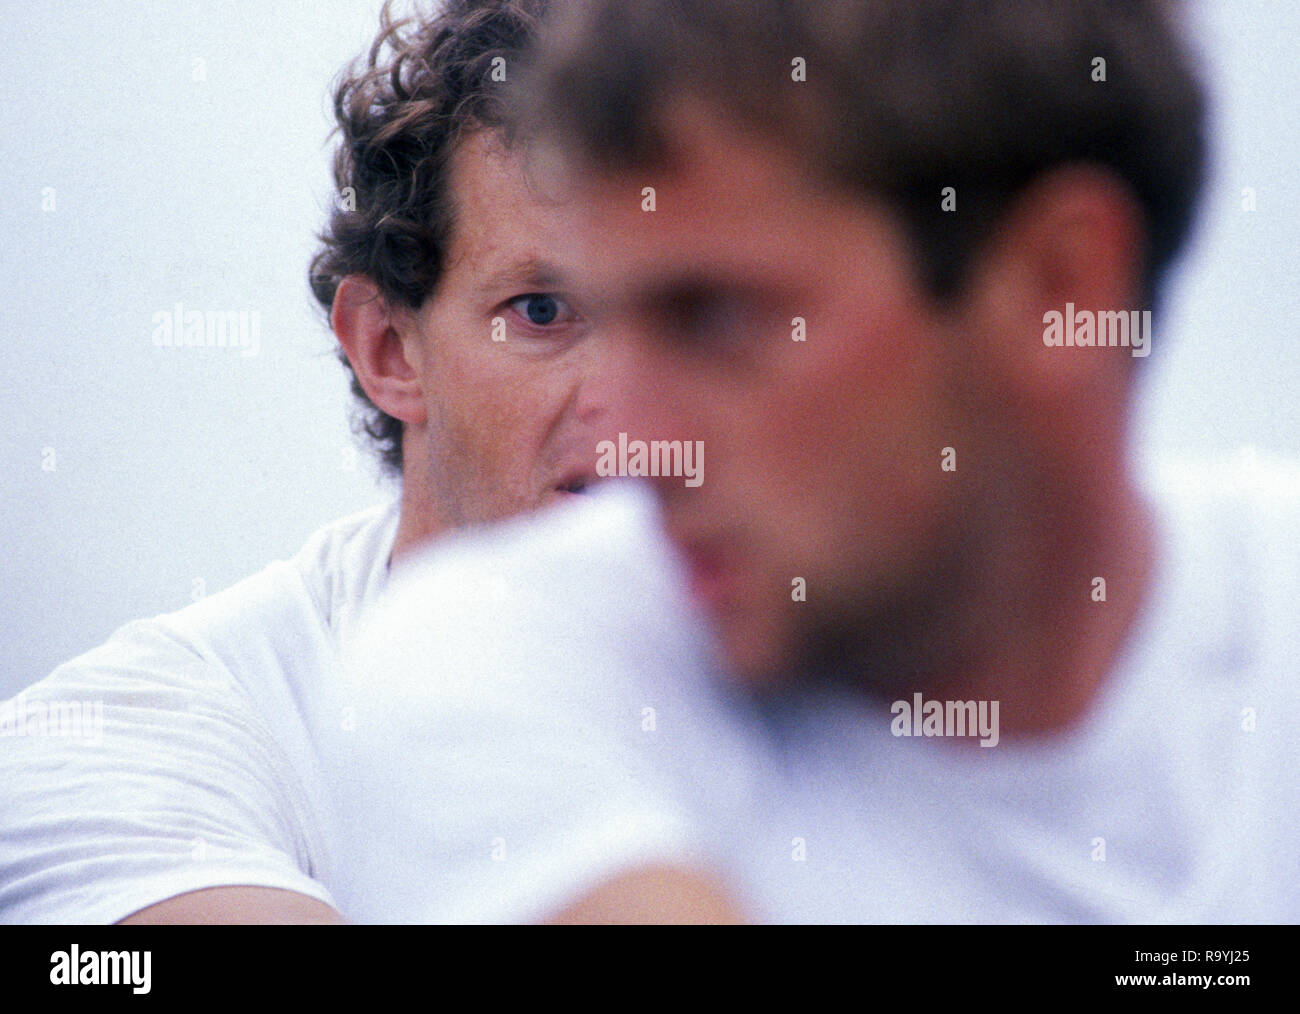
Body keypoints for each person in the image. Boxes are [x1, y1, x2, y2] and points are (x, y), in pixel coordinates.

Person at [319, 0, 1300, 922]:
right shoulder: (496, 665)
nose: (633, 443)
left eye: (714, 319)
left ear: (1060, 286)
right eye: (566, 314)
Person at [0, 0, 603, 925]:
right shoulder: (145, 731)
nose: (642, 393)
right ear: (389, 350)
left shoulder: (877, 700)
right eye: (545, 312)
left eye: (703, 315)